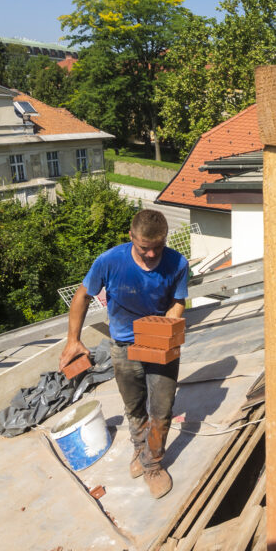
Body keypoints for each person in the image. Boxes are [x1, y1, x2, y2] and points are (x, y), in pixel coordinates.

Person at [60, 208, 189, 498]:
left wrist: (165, 329)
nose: (153, 254)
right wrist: (73, 340)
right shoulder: (110, 261)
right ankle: (139, 449)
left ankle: (153, 465)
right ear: (131, 237)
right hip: (123, 345)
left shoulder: (177, 263)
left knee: (161, 409)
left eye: (159, 247)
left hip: (159, 343)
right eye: (145, 248)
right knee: (134, 406)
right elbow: (82, 295)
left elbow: (179, 301)